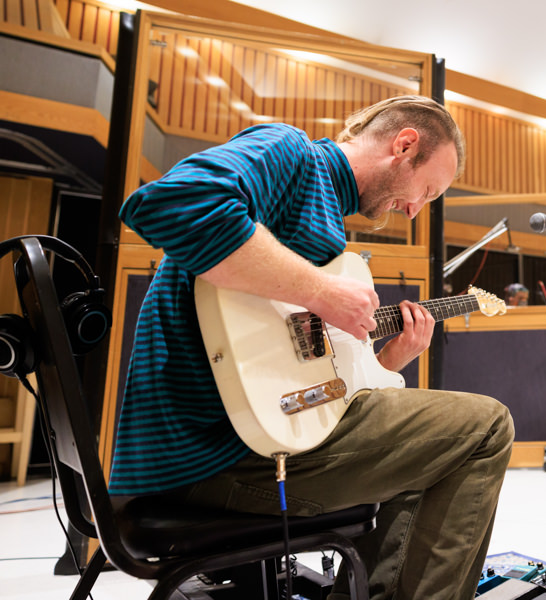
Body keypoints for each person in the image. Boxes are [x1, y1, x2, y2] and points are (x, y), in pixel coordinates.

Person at [109, 95, 514, 599]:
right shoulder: (293, 154)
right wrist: (320, 292)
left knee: (428, 445)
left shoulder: (323, 217)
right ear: (404, 145)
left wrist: (389, 361)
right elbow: (174, 202)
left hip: (229, 447)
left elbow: (303, 380)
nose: (414, 211)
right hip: (212, 458)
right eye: (425, 191)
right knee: (486, 426)